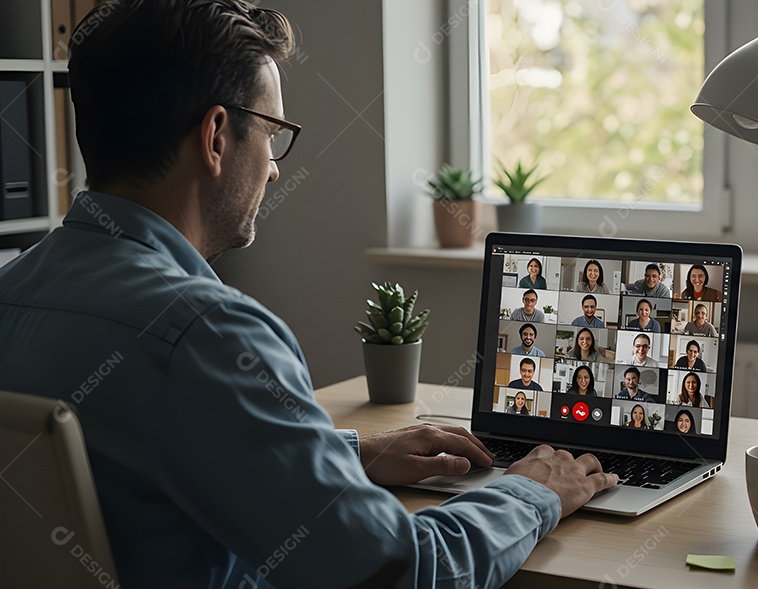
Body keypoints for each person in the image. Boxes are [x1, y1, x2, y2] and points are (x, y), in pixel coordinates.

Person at [0, 3, 617, 587]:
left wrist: (350, 456)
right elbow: (402, 574)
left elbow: (163, 459)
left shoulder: (14, 288)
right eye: (273, 132)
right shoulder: (208, 332)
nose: (273, 167)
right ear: (216, 136)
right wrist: (532, 492)